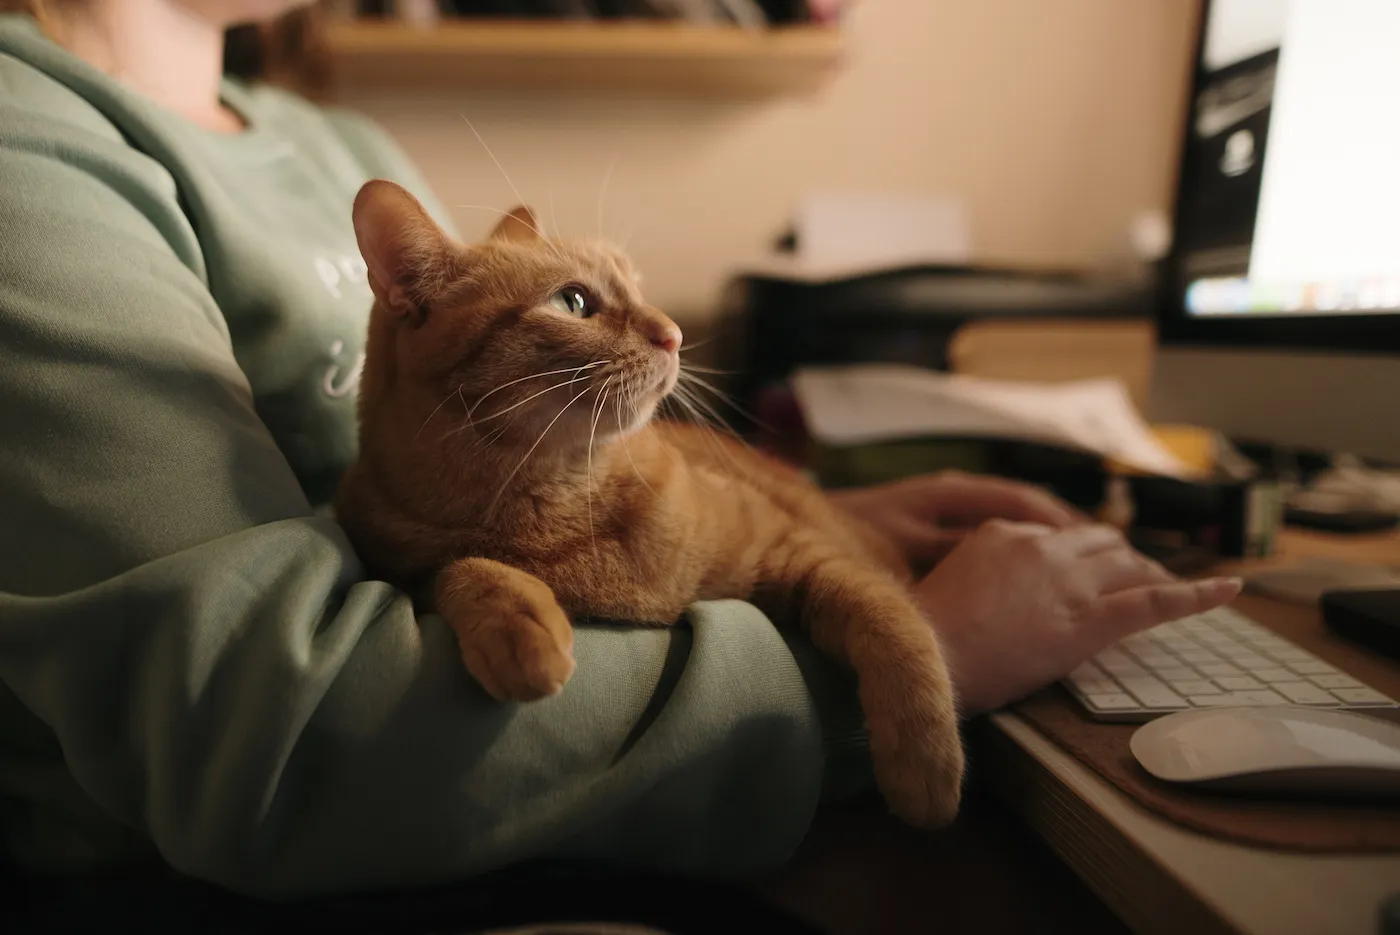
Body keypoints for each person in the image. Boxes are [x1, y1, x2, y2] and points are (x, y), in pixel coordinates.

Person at [0, 0, 1241, 901]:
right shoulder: (29, 147)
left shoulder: (341, 146)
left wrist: (817, 519)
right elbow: (267, 745)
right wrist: (913, 660)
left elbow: (530, 442)